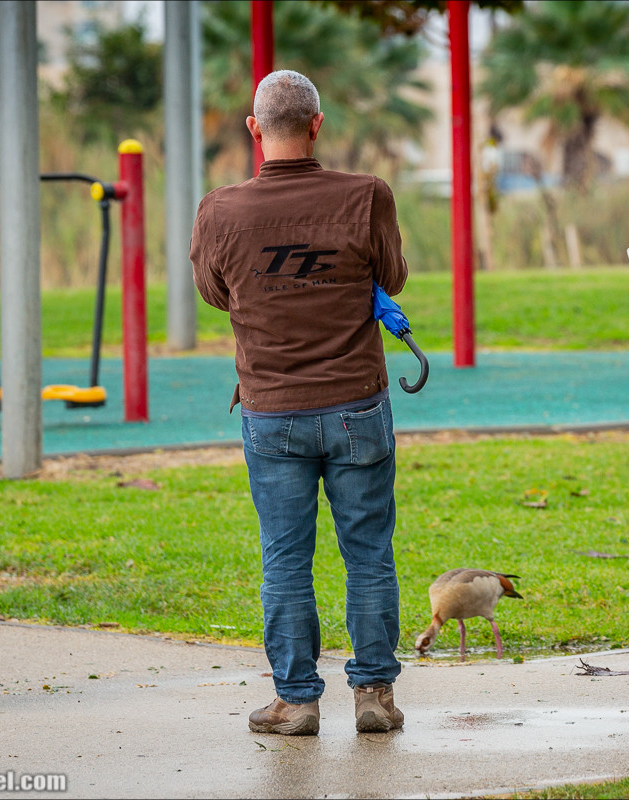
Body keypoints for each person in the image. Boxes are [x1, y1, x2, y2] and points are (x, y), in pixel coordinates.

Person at [190, 70, 408, 733]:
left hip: (272, 408)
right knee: (368, 552)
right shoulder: (366, 195)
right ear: (317, 124)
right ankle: (373, 697)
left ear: (254, 129)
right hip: (357, 407)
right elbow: (392, 274)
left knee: (284, 556)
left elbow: (215, 293)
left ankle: (296, 700)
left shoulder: (220, 209)